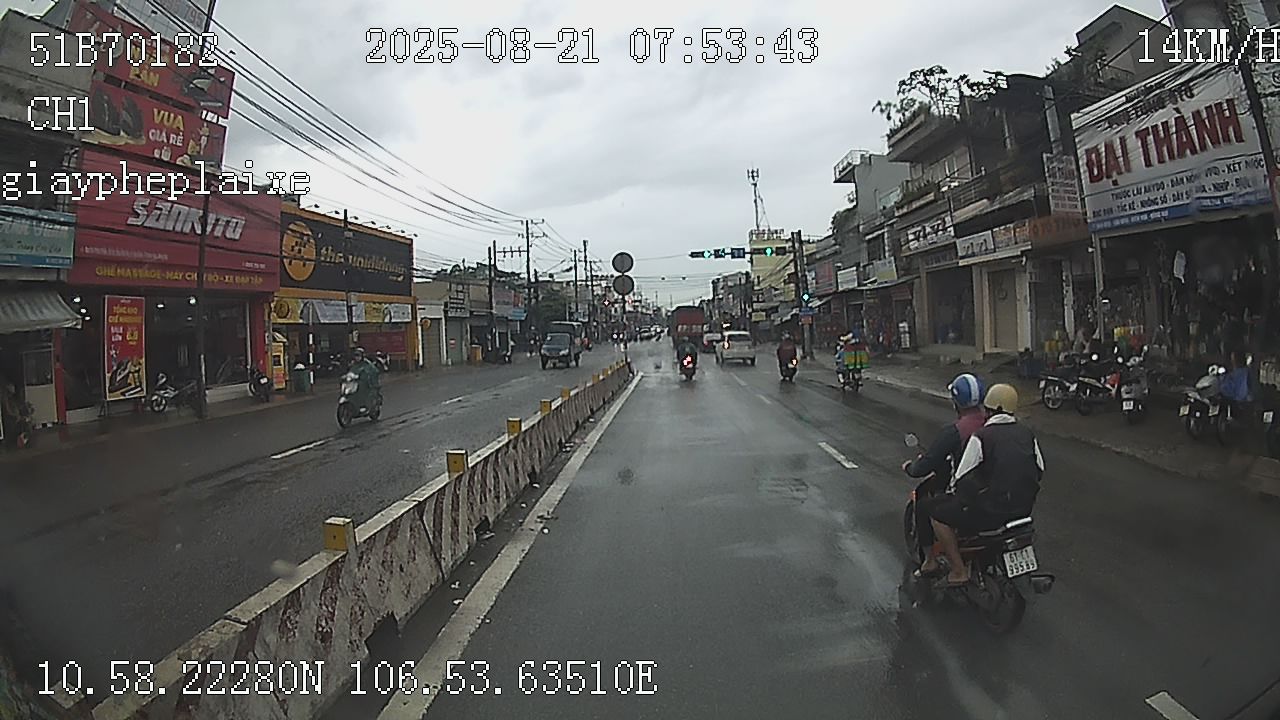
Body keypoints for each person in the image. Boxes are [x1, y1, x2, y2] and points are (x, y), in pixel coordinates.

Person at [919, 383, 1044, 586]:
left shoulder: (982, 436)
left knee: (936, 514)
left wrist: (962, 494)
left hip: (990, 513)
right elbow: (1040, 469)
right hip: (1024, 510)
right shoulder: (1027, 434)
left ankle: (958, 571)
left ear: (987, 410)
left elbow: (961, 476)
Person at [902, 373, 987, 578]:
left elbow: (927, 464)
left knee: (924, 503)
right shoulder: (992, 423)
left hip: (966, 493)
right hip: (993, 489)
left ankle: (931, 561)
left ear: (956, 402)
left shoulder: (954, 431)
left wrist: (910, 468)